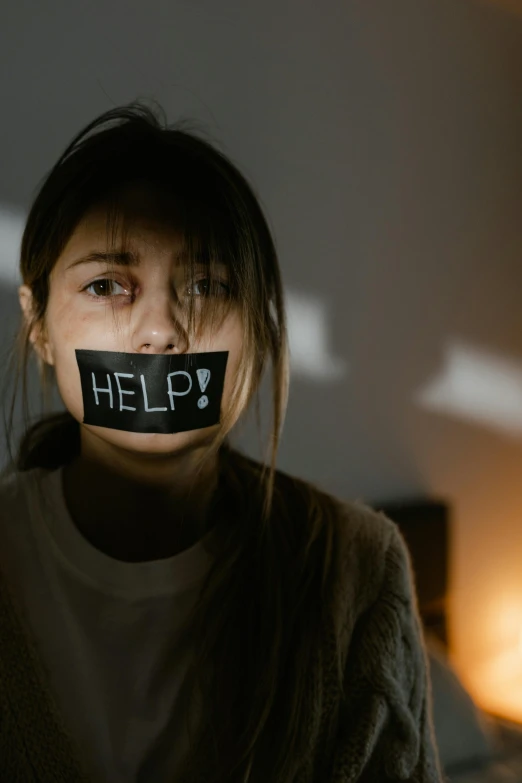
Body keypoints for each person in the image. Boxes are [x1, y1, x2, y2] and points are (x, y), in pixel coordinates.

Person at [0, 101, 444, 783]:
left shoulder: (359, 572)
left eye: (208, 284)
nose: (162, 332)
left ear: (260, 331)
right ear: (39, 328)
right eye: (107, 285)